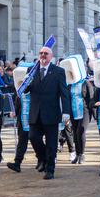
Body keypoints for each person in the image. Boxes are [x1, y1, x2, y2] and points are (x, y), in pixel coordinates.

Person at [25, 46, 70, 180]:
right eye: (41, 53)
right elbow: (26, 90)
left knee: (51, 144)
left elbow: (64, 93)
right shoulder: (31, 70)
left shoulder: (58, 71)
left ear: (51, 56)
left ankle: (50, 169)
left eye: (46, 53)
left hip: (51, 112)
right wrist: (24, 83)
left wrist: (66, 111)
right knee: (33, 137)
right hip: (35, 112)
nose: (43, 55)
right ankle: (43, 158)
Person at [62, 55, 93, 164]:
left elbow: (90, 99)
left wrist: (93, 109)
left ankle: (82, 154)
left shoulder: (86, 83)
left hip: (84, 111)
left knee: (81, 131)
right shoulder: (69, 85)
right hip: (73, 112)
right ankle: (78, 154)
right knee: (75, 133)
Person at [7, 63, 36, 173]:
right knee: (22, 142)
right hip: (22, 120)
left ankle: (42, 160)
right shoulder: (19, 90)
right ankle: (17, 163)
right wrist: (14, 111)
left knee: (35, 141)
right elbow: (17, 102)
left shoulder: (34, 88)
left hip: (34, 119)